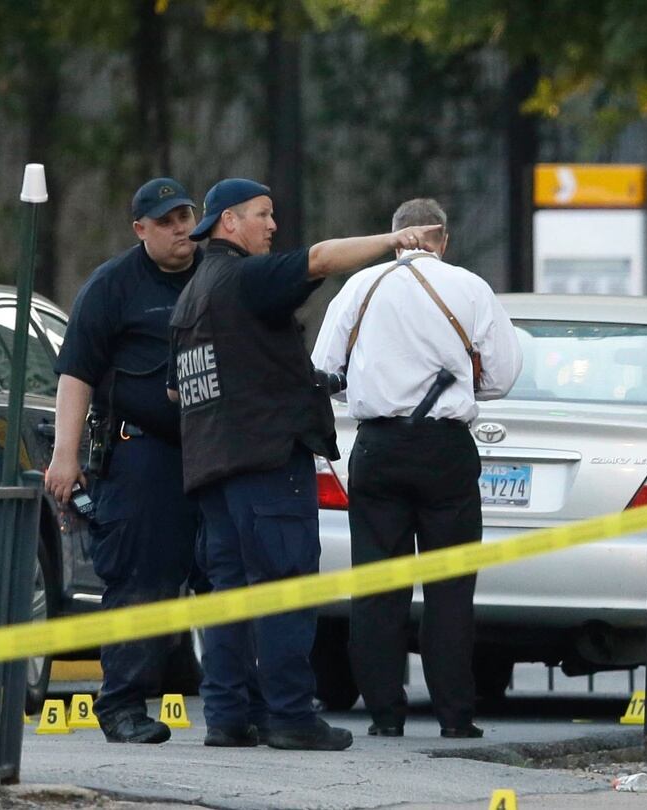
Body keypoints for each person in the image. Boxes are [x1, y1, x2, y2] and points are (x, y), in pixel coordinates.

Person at [168, 178, 441, 751]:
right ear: (229, 223)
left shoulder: (193, 294)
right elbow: (319, 259)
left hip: (212, 470)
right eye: (263, 215)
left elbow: (178, 390)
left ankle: (228, 716)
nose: (272, 226)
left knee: (228, 593)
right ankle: (290, 716)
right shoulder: (247, 278)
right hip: (266, 464)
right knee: (284, 586)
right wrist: (397, 238)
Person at [311, 198, 522, 739]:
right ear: (442, 240)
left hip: (377, 447)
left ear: (394, 235)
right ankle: (455, 717)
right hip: (446, 450)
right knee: (450, 589)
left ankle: (385, 714)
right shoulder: (470, 288)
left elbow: (323, 369)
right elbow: (502, 375)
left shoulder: (358, 288)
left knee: (377, 587)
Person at [44, 177, 204, 745]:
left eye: (186, 215)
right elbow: (76, 374)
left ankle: (246, 707)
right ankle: (123, 707)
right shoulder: (113, 285)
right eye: (167, 221)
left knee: (230, 577)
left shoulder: (214, 275)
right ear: (141, 230)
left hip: (214, 452)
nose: (182, 228)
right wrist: (65, 457)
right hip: (142, 454)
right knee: (140, 581)